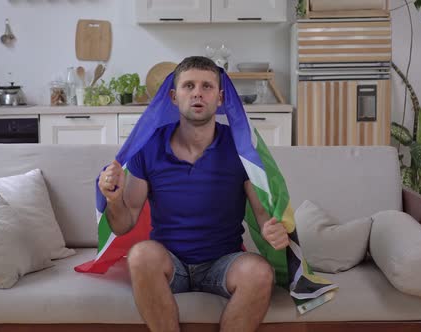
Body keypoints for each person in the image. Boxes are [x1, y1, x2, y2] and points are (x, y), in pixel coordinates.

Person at [98, 56, 290, 332]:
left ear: (220, 97)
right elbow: (124, 223)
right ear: (174, 97)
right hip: (169, 263)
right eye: (189, 86)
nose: (198, 93)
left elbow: (263, 214)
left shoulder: (241, 147)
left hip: (223, 263)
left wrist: (273, 230)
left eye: (207, 87)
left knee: (260, 272)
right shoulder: (149, 146)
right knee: (140, 254)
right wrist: (113, 200)